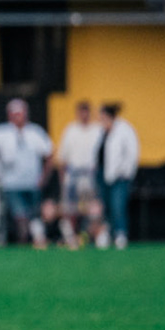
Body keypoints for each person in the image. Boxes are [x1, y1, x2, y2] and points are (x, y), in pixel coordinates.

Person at [0, 98, 53, 249]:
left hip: (32, 182)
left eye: (20, 114)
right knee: (20, 215)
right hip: (12, 184)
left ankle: (35, 241)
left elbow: (49, 155)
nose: (18, 117)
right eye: (15, 114)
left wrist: (43, 177)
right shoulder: (0, 133)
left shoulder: (35, 132)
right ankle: (23, 241)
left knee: (34, 215)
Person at [53, 100, 104, 248]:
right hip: (73, 176)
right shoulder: (71, 130)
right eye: (81, 112)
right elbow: (62, 158)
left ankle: (91, 238)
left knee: (92, 210)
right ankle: (72, 238)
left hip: (91, 176)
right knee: (70, 210)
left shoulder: (97, 131)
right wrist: (63, 180)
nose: (84, 115)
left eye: (86, 111)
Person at [96, 102, 139, 249]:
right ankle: (108, 233)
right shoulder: (102, 132)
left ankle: (121, 234)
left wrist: (125, 172)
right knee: (106, 206)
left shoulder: (124, 130)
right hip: (103, 175)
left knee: (118, 206)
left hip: (120, 177)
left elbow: (132, 153)